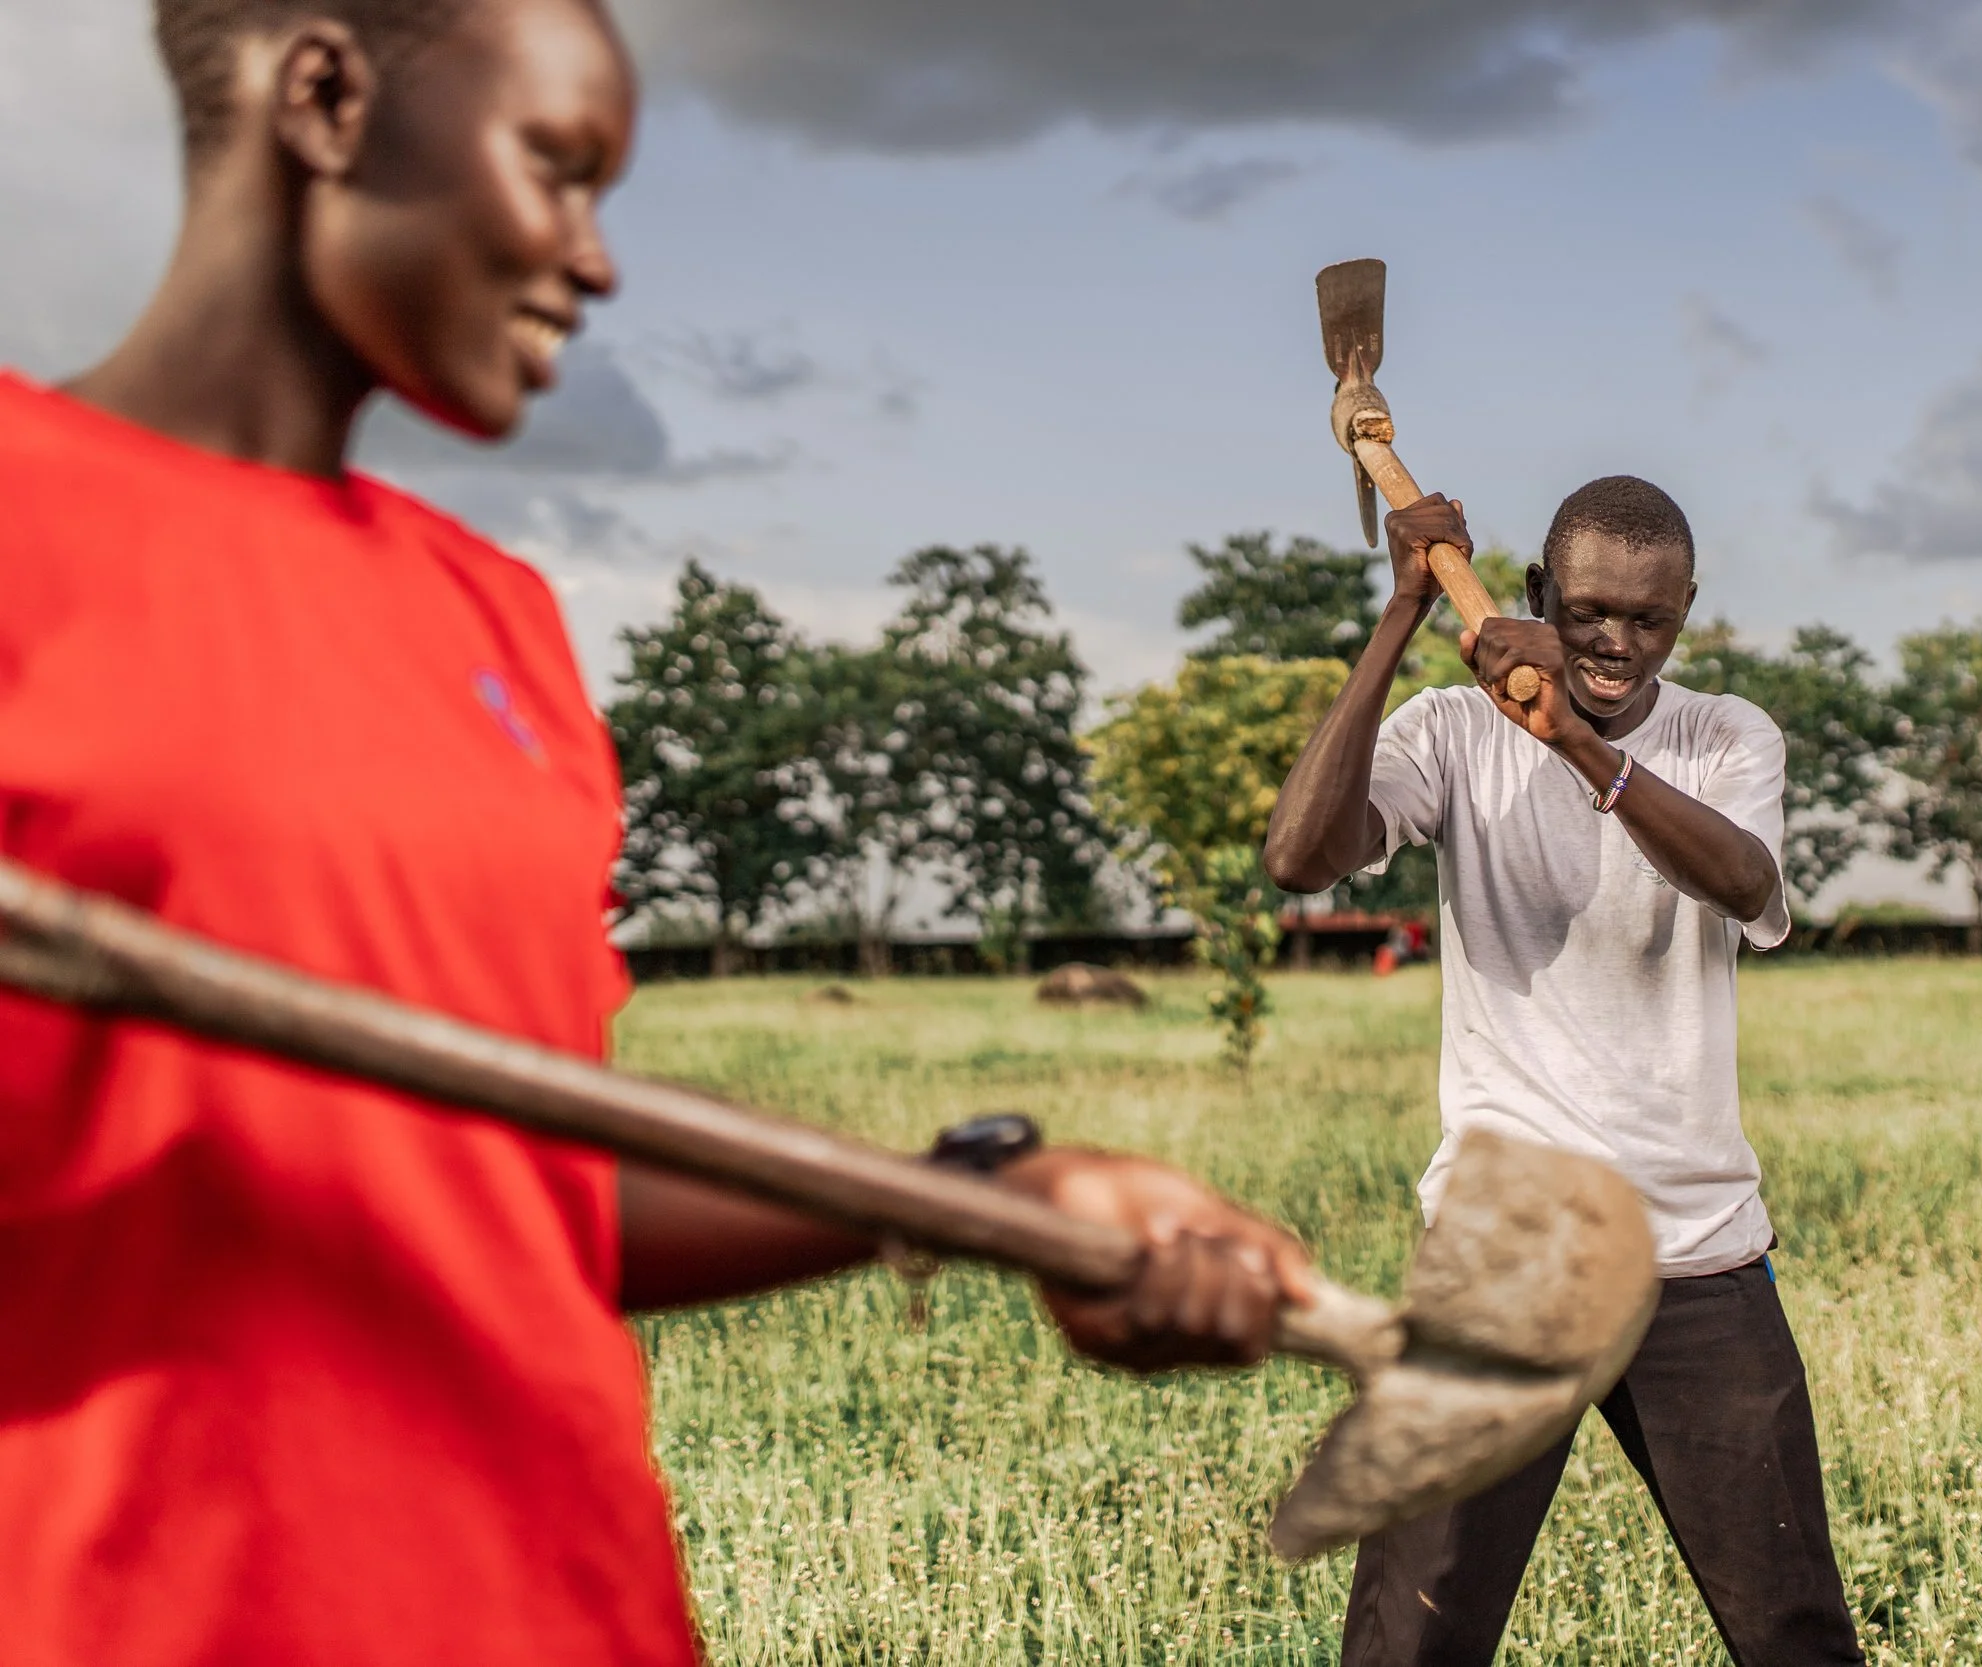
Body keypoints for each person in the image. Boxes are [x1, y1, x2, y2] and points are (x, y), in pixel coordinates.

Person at [0, 3, 1309, 1663]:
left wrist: (987, 1190)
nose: (597, 261)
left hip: (567, 1606)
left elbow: (537, 1174)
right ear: (326, 99)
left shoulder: (495, 621)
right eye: (559, 170)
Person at [1265, 480, 1864, 1666]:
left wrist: (1577, 743)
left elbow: (1743, 882)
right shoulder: (1449, 730)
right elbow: (1300, 855)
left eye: (1649, 620)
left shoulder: (1725, 735)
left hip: (1694, 1252)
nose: (1614, 642)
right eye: (1588, 611)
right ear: (1537, 596)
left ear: (1684, 616)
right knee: (1409, 1638)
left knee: (1795, 1632)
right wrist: (1397, 616)